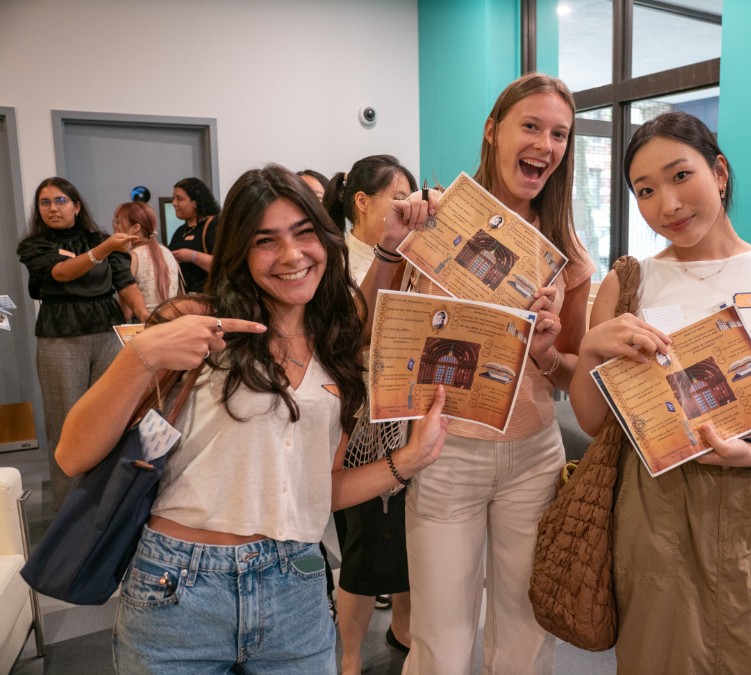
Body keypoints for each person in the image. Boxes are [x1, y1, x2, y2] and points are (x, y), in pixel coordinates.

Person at [54, 164, 448, 673]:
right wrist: (141, 356)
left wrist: (410, 460)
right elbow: (71, 455)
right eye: (266, 240)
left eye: (304, 233)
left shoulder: (334, 339)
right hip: (178, 590)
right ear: (239, 252)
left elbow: (318, 489)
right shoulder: (191, 321)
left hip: (297, 588)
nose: (291, 255)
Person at [569, 111, 751, 673]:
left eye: (680, 175)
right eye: (645, 190)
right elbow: (594, 423)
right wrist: (592, 349)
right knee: (660, 652)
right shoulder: (626, 282)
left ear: (719, 172)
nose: (667, 204)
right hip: (655, 498)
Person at [359, 73, 595, 674]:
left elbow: (571, 374)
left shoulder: (565, 250)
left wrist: (545, 347)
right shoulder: (432, 220)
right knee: (440, 638)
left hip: (534, 457)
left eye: (560, 134)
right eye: (532, 126)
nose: (546, 144)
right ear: (493, 132)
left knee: (525, 635)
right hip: (444, 453)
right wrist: (391, 246)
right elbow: (364, 335)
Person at [324, 154, 418, 674]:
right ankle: (352, 657)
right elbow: (350, 336)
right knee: (361, 553)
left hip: (408, 420)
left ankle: (403, 629)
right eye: (396, 197)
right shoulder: (336, 262)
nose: (407, 208)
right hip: (358, 427)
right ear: (362, 202)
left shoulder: (412, 256)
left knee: (409, 545)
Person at [17, 177, 148, 510]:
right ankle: (68, 512)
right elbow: (62, 273)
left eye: (60, 201)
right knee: (66, 424)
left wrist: (148, 316)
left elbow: (124, 281)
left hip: (106, 334)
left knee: (112, 419)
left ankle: (109, 503)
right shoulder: (35, 245)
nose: (52, 208)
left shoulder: (100, 239)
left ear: (76, 205)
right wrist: (103, 250)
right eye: (44, 203)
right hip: (60, 338)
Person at [113, 200, 181, 316]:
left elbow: (126, 311)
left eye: (118, 222)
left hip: (144, 324)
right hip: (170, 321)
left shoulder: (132, 256)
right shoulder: (167, 252)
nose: (115, 227)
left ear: (136, 228)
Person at [167, 177, 220, 293]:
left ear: (195, 202)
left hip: (208, 300)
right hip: (184, 299)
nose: (174, 203)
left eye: (179, 199)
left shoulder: (214, 225)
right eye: (173, 198)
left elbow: (223, 266)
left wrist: (193, 256)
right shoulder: (180, 231)